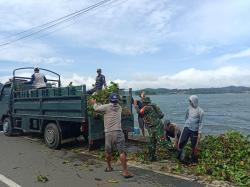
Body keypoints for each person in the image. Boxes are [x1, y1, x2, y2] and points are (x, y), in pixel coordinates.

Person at [91, 92, 133, 178]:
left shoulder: (106, 107)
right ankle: (125, 172)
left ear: (110, 99)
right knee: (121, 152)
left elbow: (96, 109)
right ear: (117, 101)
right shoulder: (120, 107)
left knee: (108, 151)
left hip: (108, 133)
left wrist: (94, 102)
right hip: (118, 132)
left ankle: (109, 167)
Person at [178, 95, 204, 164]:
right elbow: (186, 117)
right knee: (182, 142)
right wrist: (186, 124)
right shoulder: (188, 108)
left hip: (194, 130)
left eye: (190, 101)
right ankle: (180, 156)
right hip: (187, 128)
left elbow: (201, 122)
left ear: (194, 101)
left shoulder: (200, 111)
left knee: (194, 145)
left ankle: (193, 160)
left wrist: (199, 132)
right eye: (189, 101)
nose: (189, 102)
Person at [139, 97, 164, 161]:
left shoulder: (147, 107)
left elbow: (139, 113)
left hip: (156, 126)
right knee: (152, 142)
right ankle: (151, 157)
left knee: (162, 142)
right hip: (154, 126)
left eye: (142, 102)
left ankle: (176, 150)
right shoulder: (153, 105)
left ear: (144, 102)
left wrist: (136, 105)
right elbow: (161, 115)